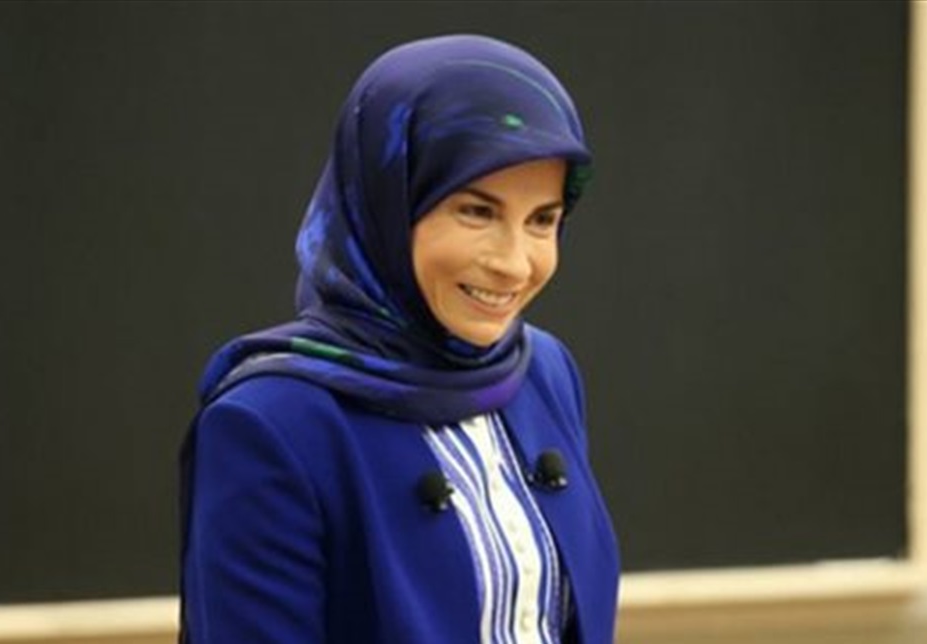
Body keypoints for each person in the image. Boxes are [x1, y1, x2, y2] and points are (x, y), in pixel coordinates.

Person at [179, 35, 620, 643]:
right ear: (389, 204)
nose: (514, 263)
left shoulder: (544, 371)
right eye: (477, 212)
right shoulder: (269, 423)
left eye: (542, 220)